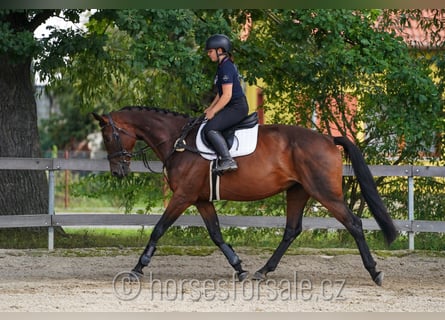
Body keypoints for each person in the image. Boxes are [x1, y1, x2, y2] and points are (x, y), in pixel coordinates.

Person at [203, 34, 249, 174]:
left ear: (220, 50)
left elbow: (227, 95)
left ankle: (228, 160)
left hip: (237, 107)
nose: (209, 55)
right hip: (231, 106)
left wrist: (214, 111)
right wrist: (210, 108)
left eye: (210, 51)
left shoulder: (227, 67)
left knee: (210, 129)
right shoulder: (222, 66)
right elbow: (221, 93)